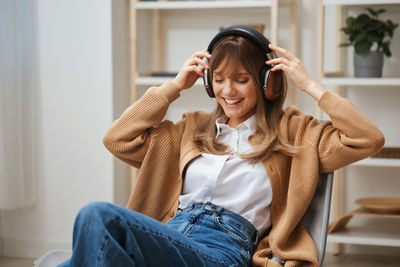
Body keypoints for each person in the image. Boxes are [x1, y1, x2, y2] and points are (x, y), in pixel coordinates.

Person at [59, 25, 384, 267]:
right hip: (169, 236)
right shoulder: (190, 130)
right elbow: (116, 139)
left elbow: (368, 138)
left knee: (97, 216)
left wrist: (312, 86)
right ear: (208, 82)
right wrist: (173, 87)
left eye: (241, 79)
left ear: (267, 82)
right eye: (218, 79)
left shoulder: (296, 134)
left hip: (223, 249)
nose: (228, 90)